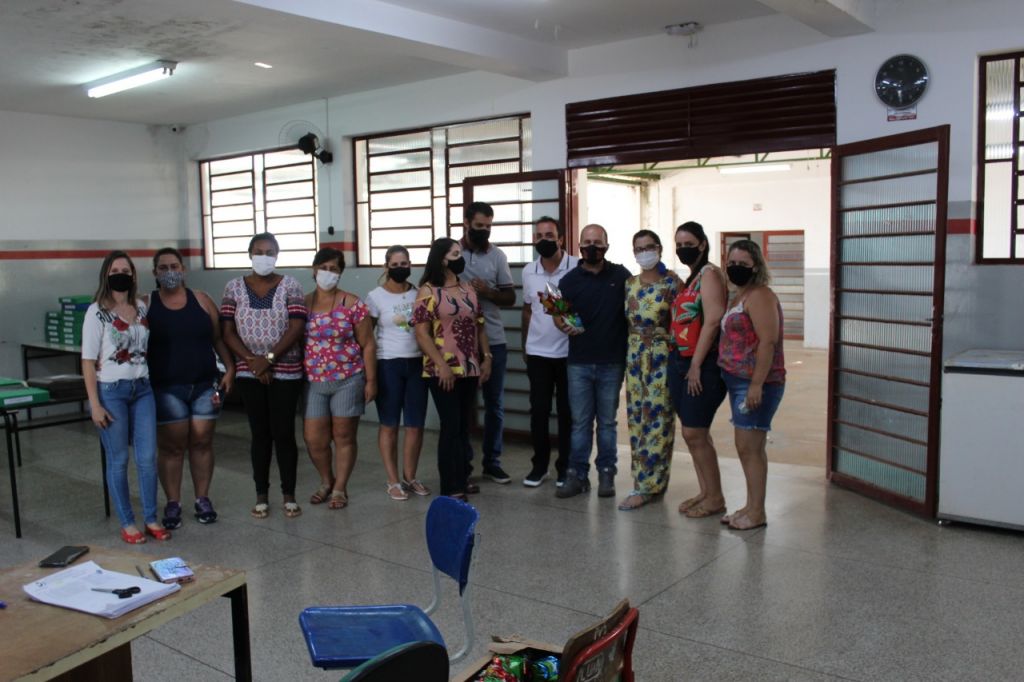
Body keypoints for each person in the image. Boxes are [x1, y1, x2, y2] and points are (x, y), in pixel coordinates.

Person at [81, 251, 168, 543]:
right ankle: (128, 522)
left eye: (126, 271)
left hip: (142, 389)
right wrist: (94, 405)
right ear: (106, 275)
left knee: (147, 457)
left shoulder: (140, 307)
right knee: (118, 459)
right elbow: (88, 361)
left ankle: (151, 518)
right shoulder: (96, 312)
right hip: (111, 392)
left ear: (133, 275)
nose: (121, 275)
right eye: (115, 270)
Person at [220, 233, 307, 520]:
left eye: (270, 252)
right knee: (260, 434)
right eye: (259, 251)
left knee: (283, 432)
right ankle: (261, 495)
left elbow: (296, 327)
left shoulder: (291, 285)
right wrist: (253, 362)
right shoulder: (233, 287)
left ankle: (289, 495)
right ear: (249, 254)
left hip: (286, 370)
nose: (264, 257)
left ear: (277, 255)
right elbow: (227, 331)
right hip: (249, 371)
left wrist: (268, 360)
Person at [147, 247, 235, 529]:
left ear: (183, 269)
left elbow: (218, 339)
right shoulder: (146, 304)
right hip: (166, 388)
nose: (170, 272)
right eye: (163, 268)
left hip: (204, 385)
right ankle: (173, 503)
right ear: (155, 273)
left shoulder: (202, 300)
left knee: (202, 442)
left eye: (174, 266)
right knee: (172, 446)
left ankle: (202, 499)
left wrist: (230, 368)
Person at [412, 237, 492, 500]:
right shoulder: (427, 291)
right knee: (450, 425)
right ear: (441, 259)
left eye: (460, 253)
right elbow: (422, 334)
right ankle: (450, 485)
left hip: (469, 367)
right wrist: (442, 365)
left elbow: (480, 326)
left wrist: (487, 357)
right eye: (455, 254)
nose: (460, 258)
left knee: (463, 426)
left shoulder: (468, 289)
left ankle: (462, 477)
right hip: (442, 370)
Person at [555, 224, 630, 499]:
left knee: (607, 423)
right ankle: (577, 475)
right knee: (580, 423)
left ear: (607, 245)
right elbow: (558, 315)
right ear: (579, 245)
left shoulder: (622, 276)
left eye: (597, 242)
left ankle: (607, 473)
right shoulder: (567, 281)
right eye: (587, 242)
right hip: (579, 363)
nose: (592, 247)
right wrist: (562, 323)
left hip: (612, 362)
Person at [718, 239, 786, 531]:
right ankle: (750, 505)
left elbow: (768, 342)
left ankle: (757, 512)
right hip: (739, 381)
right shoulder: (740, 294)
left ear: (756, 266)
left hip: (756, 383)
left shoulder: (760, 296)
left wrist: (757, 384)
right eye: (732, 263)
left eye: (743, 264)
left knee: (751, 447)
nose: (736, 268)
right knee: (746, 446)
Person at [303, 247, 377, 510]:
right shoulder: (303, 303)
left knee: (344, 435)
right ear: (314, 270)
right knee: (314, 439)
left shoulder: (352, 304)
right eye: (323, 268)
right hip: (314, 382)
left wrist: (371, 380)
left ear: (341, 273)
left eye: (333, 269)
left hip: (348, 378)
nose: (328, 273)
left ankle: (339, 488)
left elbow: (368, 344)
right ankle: (326, 480)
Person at [668, 222, 729, 519]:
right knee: (695, 433)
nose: (683, 249)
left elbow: (713, 320)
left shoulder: (710, 274)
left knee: (694, 431)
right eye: (679, 245)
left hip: (702, 364)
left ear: (703, 244)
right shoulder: (691, 278)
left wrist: (695, 365)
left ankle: (715, 498)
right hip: (681, 360)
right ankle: (706, 491)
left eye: (688, 244)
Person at [618, 230, 680, 510]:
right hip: (634, 358)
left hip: (660, 358)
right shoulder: (629, 284)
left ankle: (647, 486)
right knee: (636, 420)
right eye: (639, 248)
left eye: (649, 247)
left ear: (660, 249)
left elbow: (684, 322)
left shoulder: (672, 284)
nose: (644, 252)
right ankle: (644, 479)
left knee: (658, 420)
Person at [366, 245, 431, 501]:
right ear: (386, 267)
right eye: (395, 265)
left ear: (410, 265)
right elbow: (367, 337)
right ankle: (392, 481)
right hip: (388, 364)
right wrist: (369, 373)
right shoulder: (375, 297)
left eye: (404, 264)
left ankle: (410, 477)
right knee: (389, 424)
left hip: (417, 364)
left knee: (415, 425)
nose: (400, 268)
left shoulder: (419, 293)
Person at [459, 201, 515, 485]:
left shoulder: (498, 256)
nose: (484, 231)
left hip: (493, 341)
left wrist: (488, 291)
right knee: (464, 407)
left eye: (488, 226)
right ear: (466, 223)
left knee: (495, 405)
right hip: (459, 343)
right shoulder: (451, 252)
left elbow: (510, 297)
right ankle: (464, 466)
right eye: (479, 226)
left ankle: (492, 463)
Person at [521, 216, 578, 488]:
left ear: (561, 239)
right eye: (539, 235)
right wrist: (524, 344)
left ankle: (565, 467)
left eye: (549, 235)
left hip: (569, 353)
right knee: (539, 411)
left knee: (567, 413)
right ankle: (539, 466)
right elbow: (527, 309)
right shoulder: (528, 271)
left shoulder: (576, 267)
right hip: (537, 353)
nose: (544, 240)